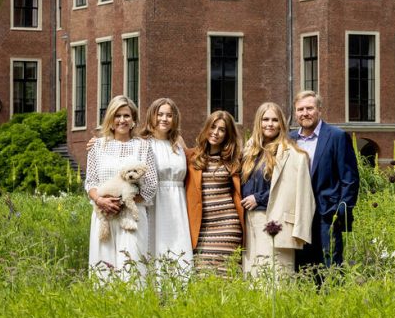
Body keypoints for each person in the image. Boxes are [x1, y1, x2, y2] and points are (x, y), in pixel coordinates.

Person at [84, 95, 158, 281]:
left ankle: (133, 308)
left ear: (133, 120)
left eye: (126, 116)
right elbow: (91, 182)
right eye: (117, 115)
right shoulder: (97, 146)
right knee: (104, 270)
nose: (122, 120)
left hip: (132, 216)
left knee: (132, 268)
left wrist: (125, 203)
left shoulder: (143, 146)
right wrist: (101, 200)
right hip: (104, 215)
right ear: (110, 119)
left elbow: (151, 184)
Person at [240, 101, 315, 276]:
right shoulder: (249, 152)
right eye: (265, 119)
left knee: (274, 280)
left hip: (275, 220)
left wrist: (258, 198)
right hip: (249, 221)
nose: (270, 124)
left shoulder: (296, 155)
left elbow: (304, 196)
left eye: (274, 120)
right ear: (258, 123)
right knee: (252, 277)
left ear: (282, 123)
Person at [289, 90, 359, 269]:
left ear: (319, 110)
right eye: (300, 109)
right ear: (295, 113)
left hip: (327, 215)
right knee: (302, 267)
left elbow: (349, 179)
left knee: (330, 266)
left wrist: (340, 212)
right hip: (297, 215)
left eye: (309, 108)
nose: (305, 113)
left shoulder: (336, 136)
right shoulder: (289, 140)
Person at [135, 97, 193, 275]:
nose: (164, 119)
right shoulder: (142, 143)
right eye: (160, 114)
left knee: (178, 244)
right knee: (155, 243)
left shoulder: (179, 143)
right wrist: (96, 143)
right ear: (152, 116)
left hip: (178, 203)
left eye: (169, 115)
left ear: (175, 118)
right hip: (155, 202)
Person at [185, 110, 243, 274]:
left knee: (226, 276)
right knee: (202, 275)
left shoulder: (234, 159)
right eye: (213, 127)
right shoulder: (191, 156)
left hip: (227, 226)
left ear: (227, 134)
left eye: (222, 129)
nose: (216, 133)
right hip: (201, 227)